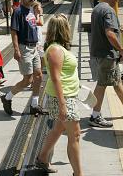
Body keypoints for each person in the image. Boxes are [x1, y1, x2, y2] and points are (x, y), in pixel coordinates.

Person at [36, 14, 83, 175]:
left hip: (68, 94)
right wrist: (63, 105)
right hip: (63, 98)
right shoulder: (55, 49)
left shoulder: (58, 48)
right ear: (63, 29)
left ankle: (42, 158)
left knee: (58, 128)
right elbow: (55, 78)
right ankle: (78, 173)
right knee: (75, 135)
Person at [88, 0, 123, 128]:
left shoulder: (97, 8)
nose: (118, 0)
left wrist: (119, 29)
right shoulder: (109, 10)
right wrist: (121, 49)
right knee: (102, 84)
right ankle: (95, 115)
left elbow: (106, 29)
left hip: (100, 52)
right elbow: (109, 33)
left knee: (116, 80)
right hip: (107, 53)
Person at [2, 0, 46, 115]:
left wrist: (40, 13)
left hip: (34, 47)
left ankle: (34, 105)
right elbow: (14, 31)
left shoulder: (31, 11)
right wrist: (16, 49)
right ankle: (7, 97)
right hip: (24, 48)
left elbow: (37, 24)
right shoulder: (18, 11)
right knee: (28, 79)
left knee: (38, 76)